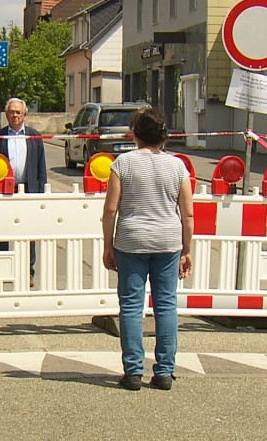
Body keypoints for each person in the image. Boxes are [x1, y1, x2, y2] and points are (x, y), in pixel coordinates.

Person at [102, 107, 193, 391]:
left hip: (131, 240)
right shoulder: (177, 166)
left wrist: (108, 244)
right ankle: (164, 372)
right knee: (166, 305)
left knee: (131, 306)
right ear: (163, 136)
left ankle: (132, 372)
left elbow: (111, 208)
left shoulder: (123, 163)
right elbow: (188, 214)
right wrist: (187, 249)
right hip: (167, 241)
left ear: (135, 135)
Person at [0, 97, 48, 285]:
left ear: (24, 114)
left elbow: (40, 167)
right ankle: (3, 270)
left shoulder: (34, 136)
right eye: (11, 112)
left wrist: (42, 194)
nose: (15, 115)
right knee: (2, 230)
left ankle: (28, 272)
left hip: (28, 189)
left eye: (18, 112)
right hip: (4, 190)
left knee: (28, 232)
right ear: (6, 115)